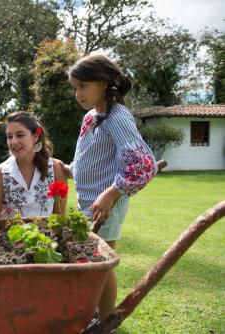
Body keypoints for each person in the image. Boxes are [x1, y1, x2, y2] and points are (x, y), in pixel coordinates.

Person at [65, 55, 157, 321]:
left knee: (101, 265)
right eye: (75, 87)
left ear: (104, 84)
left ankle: (106, 322)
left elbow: (143, 165)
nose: (78, 93)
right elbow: (89, 160)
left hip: (106, 206)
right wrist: (69, 169)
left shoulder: (117, 116)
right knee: (92, 263)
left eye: (83, 85)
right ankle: (95, 315)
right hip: (89, 203)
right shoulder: (91, 117)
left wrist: (112, 192)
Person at [0, 111, 68, 218]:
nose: (14, 141)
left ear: (35, 137)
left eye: (20, 135)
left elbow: (59, 219)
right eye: (9, 136)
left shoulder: (56, 168)